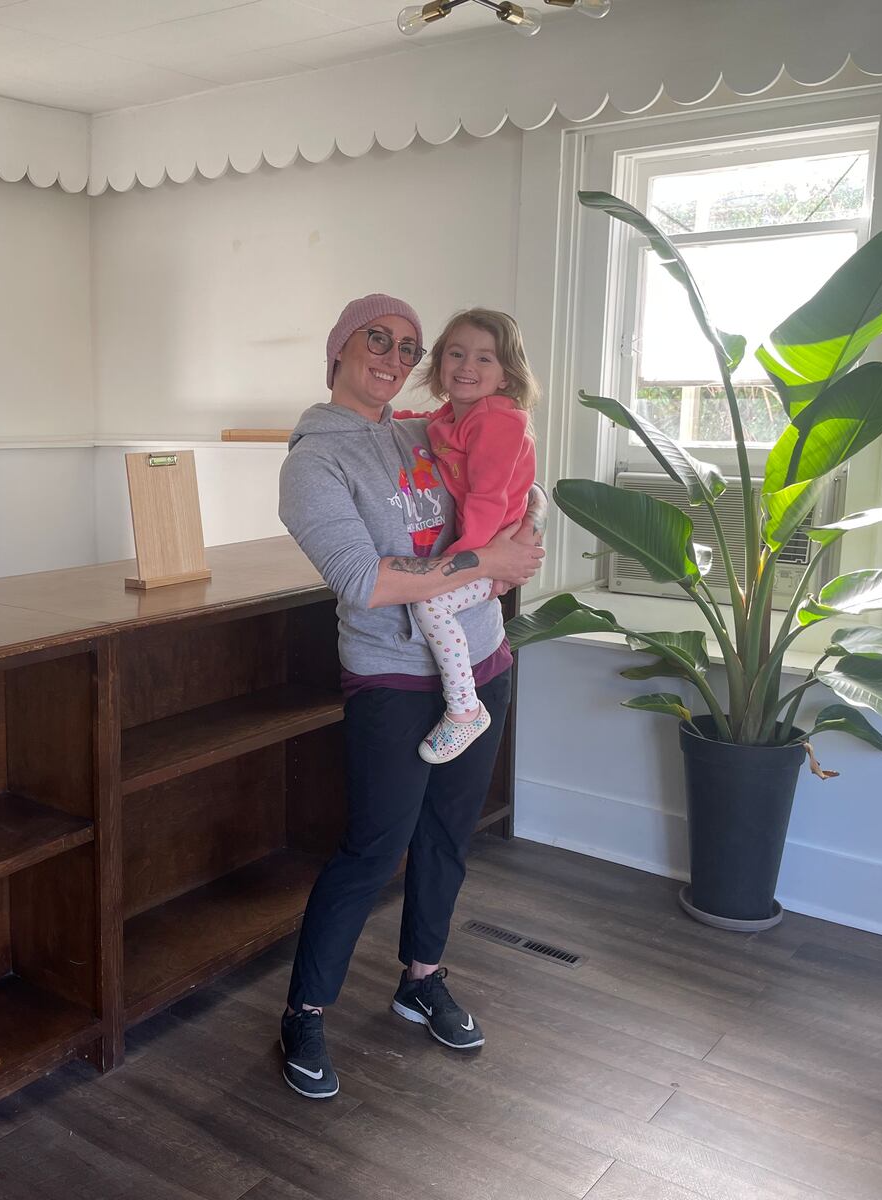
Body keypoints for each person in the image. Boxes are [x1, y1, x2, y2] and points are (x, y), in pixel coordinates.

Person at [276, 294, 546, 1100]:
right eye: (377, 340)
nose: (394, 357)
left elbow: (505, 487)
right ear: (339, 349)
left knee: (447, 838)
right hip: (392, 677)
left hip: (482, 662)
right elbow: (367, 584)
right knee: (372, 848)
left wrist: (522, 535)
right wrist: (487, 564)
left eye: (407, 345)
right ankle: (305, 1011)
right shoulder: (313, 463)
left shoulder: (417, 431)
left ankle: (420, 977)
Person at [403, 309, 539, 765]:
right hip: (489, 549)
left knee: (429, 601)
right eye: (457, 354)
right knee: (434, 598)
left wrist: (466, 562)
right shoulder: (453, 416)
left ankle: (464, 710)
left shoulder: (499, 422)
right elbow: (429, 428)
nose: (467, 366)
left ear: (506, 376)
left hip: (491, 543)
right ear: (441, 363)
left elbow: (487, 499)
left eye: (485, 359)